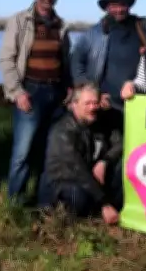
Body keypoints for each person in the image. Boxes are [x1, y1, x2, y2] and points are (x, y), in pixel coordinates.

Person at [0, 0, 73, 204]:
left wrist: (69, 89)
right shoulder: (19, 21)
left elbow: (65, 61)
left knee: (48, 152)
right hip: (30, 92)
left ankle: (44, 203)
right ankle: (15, 204)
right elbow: (6, 59)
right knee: (23, 153)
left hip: (56, 95)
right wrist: (17, 92)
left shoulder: (62, 26)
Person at [71, 0, 146, 140]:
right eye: (113, 6)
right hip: (107, 102)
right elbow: (76, 61)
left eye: (122, 5)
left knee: (137, 144)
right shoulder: (95, 33)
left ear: (128, 6)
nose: (118, 9)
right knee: (109, 145)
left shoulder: (142, 28)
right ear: (107, 8)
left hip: (138, 100)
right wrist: (92, 92)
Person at [40, 83, 123, 225]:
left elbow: (120, 143)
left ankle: (107, 207)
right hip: (63, 182)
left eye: (95, 103)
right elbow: (78, 170)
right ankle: (58, 216)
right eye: (87, 103)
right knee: (79, 198)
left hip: (90, 178)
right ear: (74, 104)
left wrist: (104, 161)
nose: (93, 107)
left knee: (122, 167)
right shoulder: (63, 131)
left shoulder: (98, 121)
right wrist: (104, 203)